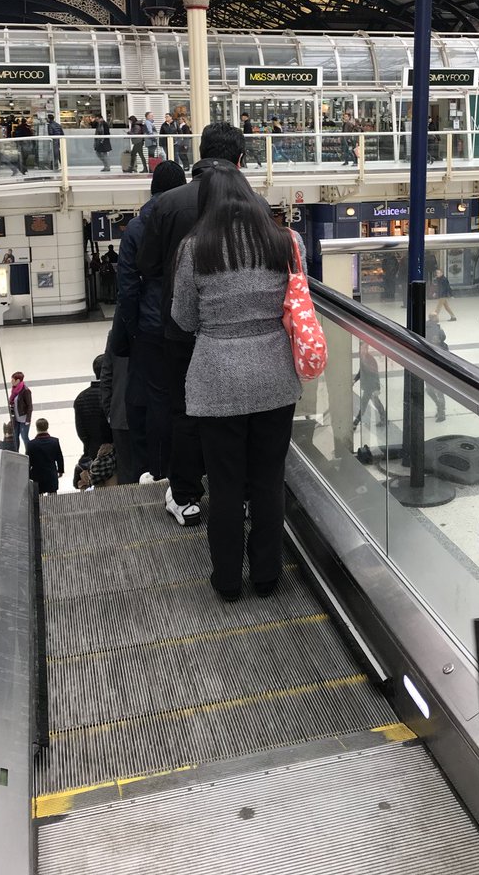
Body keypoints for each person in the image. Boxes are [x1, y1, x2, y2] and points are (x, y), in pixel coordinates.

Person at [171, 160, 304, 601]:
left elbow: (183, 317)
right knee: (268, 479)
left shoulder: (195, 249)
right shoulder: (286, 241)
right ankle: (267, 576)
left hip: (217, 380)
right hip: (274, 376)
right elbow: (298, 300)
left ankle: (227, 582)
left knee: (225, 485)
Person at [137, 122, 247, 527]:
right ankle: (238, 493)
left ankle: (185, 497)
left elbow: (147, 265)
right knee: (235, 411)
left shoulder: (168, 203)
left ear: (199, 154)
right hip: (237, 328)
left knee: (185, 410)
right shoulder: (251, 204)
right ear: (240, 160)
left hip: (180, 327)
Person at [115, 160, 186, 483]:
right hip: (186, 323)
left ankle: (159, 471)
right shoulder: (191, 221)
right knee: (185, 395)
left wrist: (135, 330)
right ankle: (191, 468)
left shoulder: (136, 227)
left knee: (157, 399)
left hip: (151, 326)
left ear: (153, 188)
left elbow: (127, 288)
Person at [100, 327, 132, 484]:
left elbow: (106, 374)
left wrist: (109, 411)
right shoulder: (155, 326)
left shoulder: (116, 333)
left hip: (120, 414)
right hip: (151, 413)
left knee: (126, 468)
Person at [73, 355, 113, 460]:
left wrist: (89, 446)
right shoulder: (114, 394)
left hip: (93, 451)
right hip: (118, 449)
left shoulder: (81, 398)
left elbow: (81, 431)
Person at [352, 342, 386, 428]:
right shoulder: (362, 357)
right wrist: (354, 380)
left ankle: (355, 423)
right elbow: (361, 371)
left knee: (364, 404)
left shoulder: (370, 360)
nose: (364, 350)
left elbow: (375, 374)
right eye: (363, 348)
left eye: (366, 348)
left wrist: (377, 388)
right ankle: (384, 419)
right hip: (368, 386)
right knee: (376, 403)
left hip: (371, 386)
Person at [26, 418, 64, 494]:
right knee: (53, 497)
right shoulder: (54, 441)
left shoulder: (31, 444)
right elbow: (59, 457)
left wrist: (28, 474)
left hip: (37, 476)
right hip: (51, 475)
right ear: (47, 427)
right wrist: (60, 470)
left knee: (39, 497)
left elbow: (28, 461)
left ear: (37, 428)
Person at [424, 314, 447, 421]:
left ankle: (440, 409)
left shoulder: (426, 328)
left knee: (431, 390)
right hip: (437, 369)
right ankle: (441, 409)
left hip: (429, 367)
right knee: (438, 391)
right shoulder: (437, 330)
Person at [8, 370, 33, 452]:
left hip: (24, 419)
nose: (11, 381)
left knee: (24, 437)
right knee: (15, 437)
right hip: (16, 419)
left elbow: (30, 406)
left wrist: (28, 420)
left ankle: (29, 452)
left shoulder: (26, 391)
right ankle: (16, 453)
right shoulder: (14, 389)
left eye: (13, 380)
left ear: (18, 380)